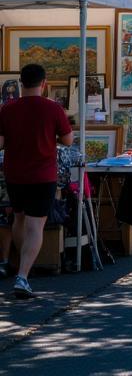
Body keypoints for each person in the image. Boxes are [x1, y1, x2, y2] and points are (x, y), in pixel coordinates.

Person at [0, 64, 73, 298]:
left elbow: (0, 143)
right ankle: (23, 275)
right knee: (36, 225)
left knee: (19, 219)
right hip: (42, 175)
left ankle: (23, 268)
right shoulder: (53, 109)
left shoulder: (8, 109)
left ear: (21, 83)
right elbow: (68, 140)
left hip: (15, 174)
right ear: (44, 83)